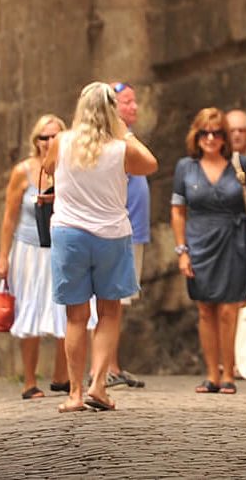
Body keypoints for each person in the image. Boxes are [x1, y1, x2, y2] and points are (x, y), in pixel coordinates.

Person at [44, 81, 158, 413]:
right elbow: (150, 164)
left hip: (69, 235)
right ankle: (99, 385)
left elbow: (49, 170)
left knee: (75, 317)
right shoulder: (121, 149)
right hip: (111, 235)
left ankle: (75, 393)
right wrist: (125, 133)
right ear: (112, 112)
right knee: (109, 313)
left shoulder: (63, 143)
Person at [171, 107, 246, 393]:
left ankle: (229, 371)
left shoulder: (242, 165)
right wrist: (182, 251)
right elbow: (178, 211)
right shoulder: (184, 168)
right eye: (205, 133)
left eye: (216, 133)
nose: (210, 138)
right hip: (199, 241)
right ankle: (211, 373)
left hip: (235, 241)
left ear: (225, 137)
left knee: (229, 309)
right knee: (205, 309)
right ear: (196, 136)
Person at [0, 114, 72, 400]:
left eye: (55, 136)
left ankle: (62, 376)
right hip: (28, 250)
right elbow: (8, 218)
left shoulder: (70, 168)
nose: (49, 142)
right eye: (44, 137)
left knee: (67, 310)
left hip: (61, 247)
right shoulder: (23, 171)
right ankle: (29, 381)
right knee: (29, 309)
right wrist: (3, 257)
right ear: (35, 140)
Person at [107, 81, 148, 389]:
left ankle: (112, 364)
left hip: (135, 230)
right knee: (112, 300)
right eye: (127, 102)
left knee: (120, 302)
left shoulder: (126, 137)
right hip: (121, 229)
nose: (134, 107)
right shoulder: (118, 141)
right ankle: (107, 366)